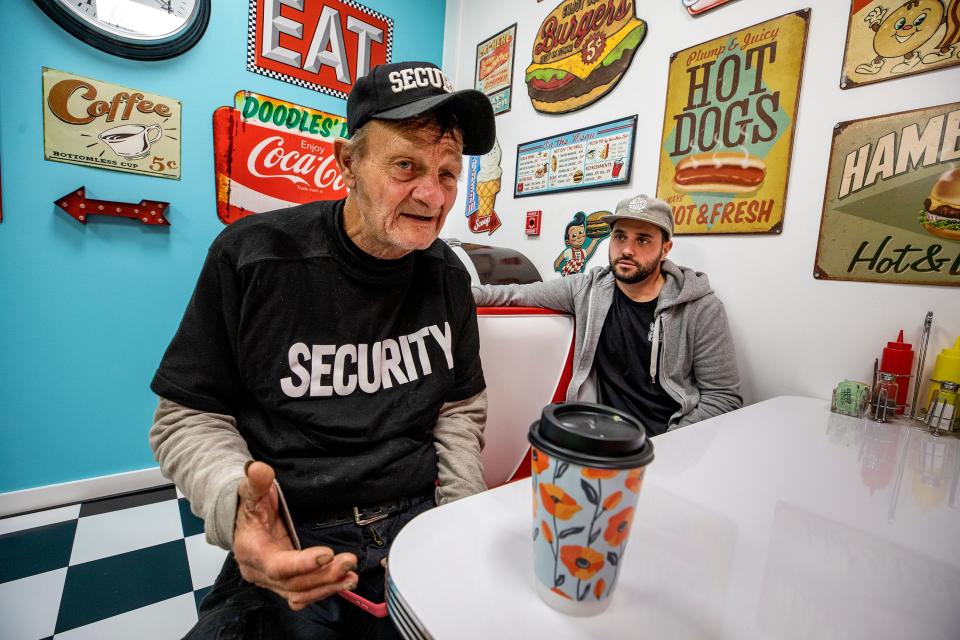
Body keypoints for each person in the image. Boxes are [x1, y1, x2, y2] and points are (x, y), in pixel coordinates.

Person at [149, 61, 496, 639]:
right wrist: (240, 513)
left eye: (448, 173)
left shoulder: (448, 278)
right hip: (294, 526)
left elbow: (459, 409)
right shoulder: (253, 257)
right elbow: (186, 415)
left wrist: (459, 521)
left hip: (420, 522)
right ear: (347, 164)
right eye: (406, 165)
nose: (433, 196)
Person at [474, 193, 741, 436]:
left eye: (643, 240)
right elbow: (514, 294)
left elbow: (722, 397)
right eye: (620, 236)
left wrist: (670, 446)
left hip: (671, 440)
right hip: (600, 438)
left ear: (665, 249)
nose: (627, 249)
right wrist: (451, 295)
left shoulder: (700, 308)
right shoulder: (587, 289)